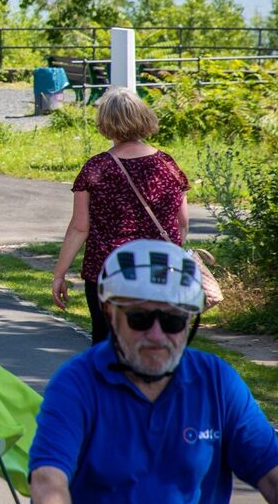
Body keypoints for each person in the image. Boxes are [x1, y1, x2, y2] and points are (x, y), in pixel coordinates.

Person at [29, 239, 278, 504]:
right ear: (110, 314)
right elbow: (48, 481)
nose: (156, 335)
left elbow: (271, 473)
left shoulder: (217, 382)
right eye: (140, 319)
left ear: (189, 321)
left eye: (172, 321)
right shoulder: (76, 383)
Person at [51, 87, 189, 344]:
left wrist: (59, 273)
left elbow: (80, 228)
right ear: (144, 117)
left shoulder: (97, 168)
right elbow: (181, 224)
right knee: (155, 345)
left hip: (109, 273)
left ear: (105, 123)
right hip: (158, 272)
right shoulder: (167, 166)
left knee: (106, 346)